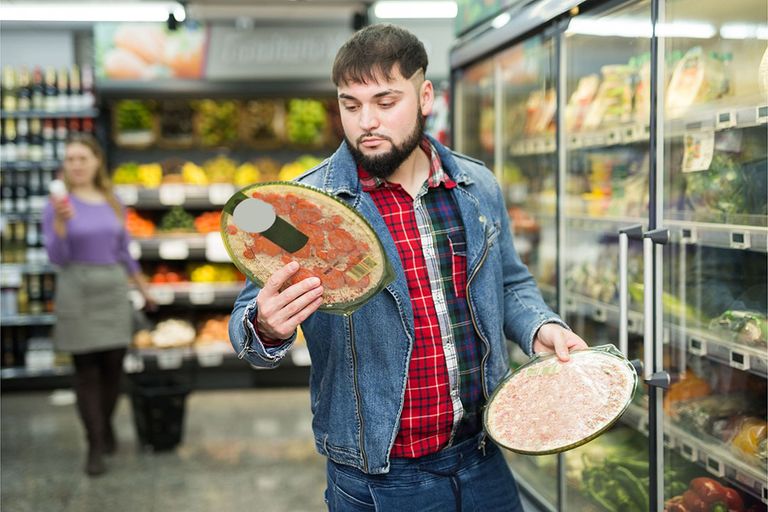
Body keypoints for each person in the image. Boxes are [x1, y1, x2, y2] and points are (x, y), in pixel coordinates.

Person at [229, 24, 588, 511]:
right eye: (350, 105)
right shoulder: (302, 208)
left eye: (385, 101)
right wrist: (267, 326)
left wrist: (538, 326)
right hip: (380, 476)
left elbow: (508, 280)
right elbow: (247, 324)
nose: (366, 122)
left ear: (424, 97)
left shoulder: (474, 185)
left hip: (484, 456)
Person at [42, 134, 155, 477]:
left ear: (96, 162)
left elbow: (124, 251)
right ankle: (94, 444)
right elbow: (56, 257)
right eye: (70, 159)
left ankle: (103, 424)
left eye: (82, 158)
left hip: (111, 288)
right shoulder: (57, 205)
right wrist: (61, 223)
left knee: (113, 368)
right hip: (75, 286)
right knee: (86, 371)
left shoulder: (112, 199)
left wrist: (143, 287)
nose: (75, 165)